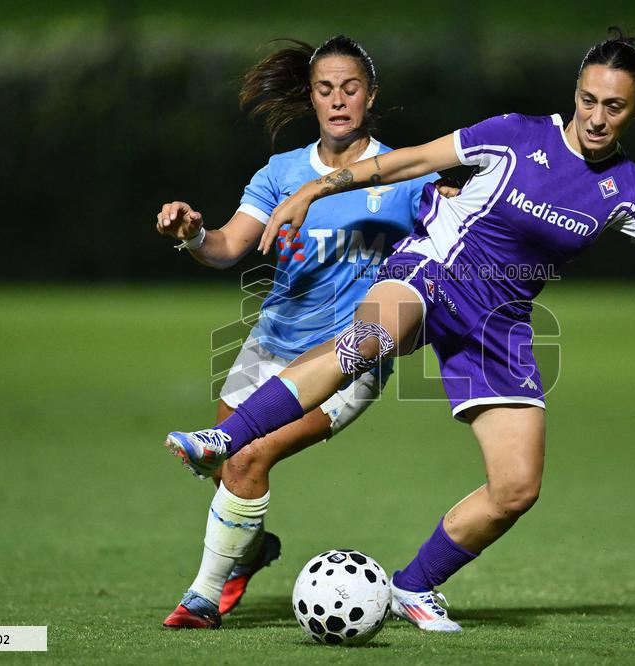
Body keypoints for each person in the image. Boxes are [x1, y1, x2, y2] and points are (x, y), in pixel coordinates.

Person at [166, 28, 635, 633]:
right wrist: (317, 187)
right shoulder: (516, 134)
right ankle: (223, 440)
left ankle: (413, 585)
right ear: (575, 92)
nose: (596, 118)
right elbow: (410, 161)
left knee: (516, 488)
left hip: (498, 322)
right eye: (588, 100)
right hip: (434, 270)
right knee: (364, 343)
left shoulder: (628, 189)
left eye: (614, 107)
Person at [155, 35, 440, 629]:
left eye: (350, 88)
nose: (338, 100)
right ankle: (251, 547)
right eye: (325, 89)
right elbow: (227, 247)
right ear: (310, 97)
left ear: (370, 95)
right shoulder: (281, 172)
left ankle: (202, 598)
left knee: (247, 453)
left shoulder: (405, 177)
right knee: (224, 467)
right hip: (270, 342)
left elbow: (448, 247)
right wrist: (194, 235)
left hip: (347, 359)